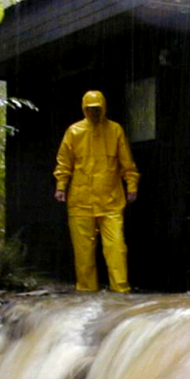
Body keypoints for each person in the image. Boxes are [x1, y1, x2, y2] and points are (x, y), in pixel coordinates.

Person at [54, 90, 139, 293]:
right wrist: (60, 186)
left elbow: (127, 163)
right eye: (90, 109)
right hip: (80, 201)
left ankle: (121, 292)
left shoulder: (115, 130)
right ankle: (86, 294)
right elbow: (64, 163)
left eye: (97, 109)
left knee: (117, 248)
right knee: (83, 254)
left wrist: (132, 185)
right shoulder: (74, 132)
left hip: (111, 201)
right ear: (84, 109)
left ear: (103, 108)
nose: (94, 112)